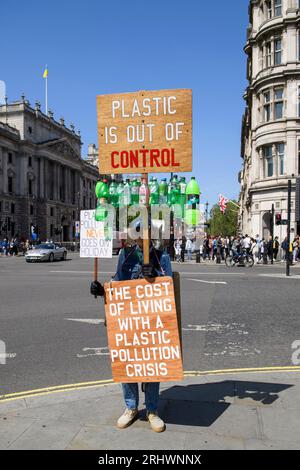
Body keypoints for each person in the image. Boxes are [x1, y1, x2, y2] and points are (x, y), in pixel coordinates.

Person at [90, 231, 172, 434]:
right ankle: (131, 407)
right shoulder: (124, 256)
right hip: (128, 320)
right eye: (138, 234)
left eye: (145, 234)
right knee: (127, 361)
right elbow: (118, 285)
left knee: (152, 365)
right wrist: (101, 291)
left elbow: (169, 289)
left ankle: (152, 410)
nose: (140, 239)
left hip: (152, 321)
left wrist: (154, 278)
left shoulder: (162, 257)